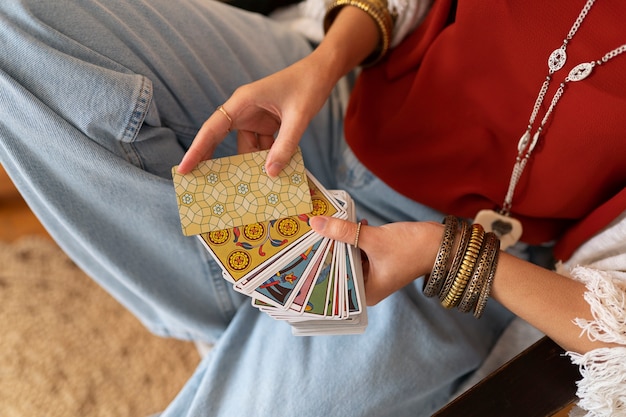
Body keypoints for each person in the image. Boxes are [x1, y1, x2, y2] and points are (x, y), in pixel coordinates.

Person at [1, 0, 624, 415]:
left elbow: (618, 336)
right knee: (20, 26)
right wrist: (321, 65)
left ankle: (252, 329)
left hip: (460, 258)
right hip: (341, 105)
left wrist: (439, 251)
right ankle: (248, 320)